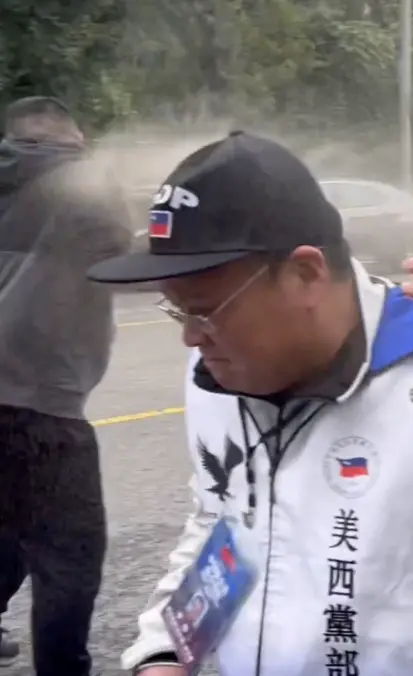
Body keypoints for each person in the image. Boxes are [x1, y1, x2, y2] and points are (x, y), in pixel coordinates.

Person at [86, 131, 413, 675]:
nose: (191, 338)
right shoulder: (215, 371)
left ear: (306, 274)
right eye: (178, 312)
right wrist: (165, 649)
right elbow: (222, 518)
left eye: (206, 310)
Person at [0, 96, 132, 673]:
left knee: (7, 530)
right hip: (42, 408)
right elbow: (120, 241)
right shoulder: (85, 189)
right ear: (69, 139)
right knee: (69, 559)